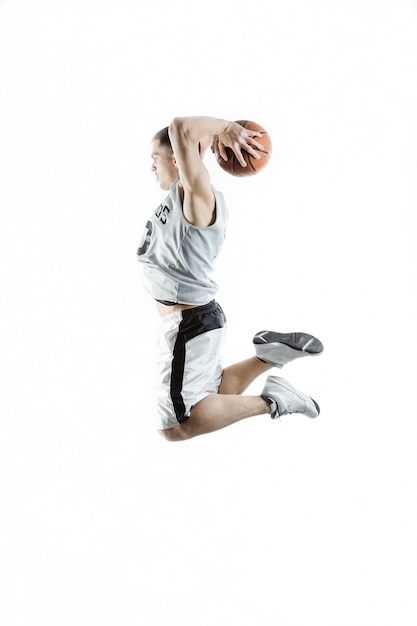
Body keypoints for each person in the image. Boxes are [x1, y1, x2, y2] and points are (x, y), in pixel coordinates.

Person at [137, 116, 323, 442]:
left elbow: (181, 128)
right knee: (213, 392)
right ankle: (271, 356)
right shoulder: (186, 194)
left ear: (176, 158)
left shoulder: (197, 195)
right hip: (197, 320)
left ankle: (273, 401)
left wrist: (226, 129)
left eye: (154, 157)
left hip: (188, 322)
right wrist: (215, 138)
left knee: (176, 425)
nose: (151, 166)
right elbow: (194, 140)